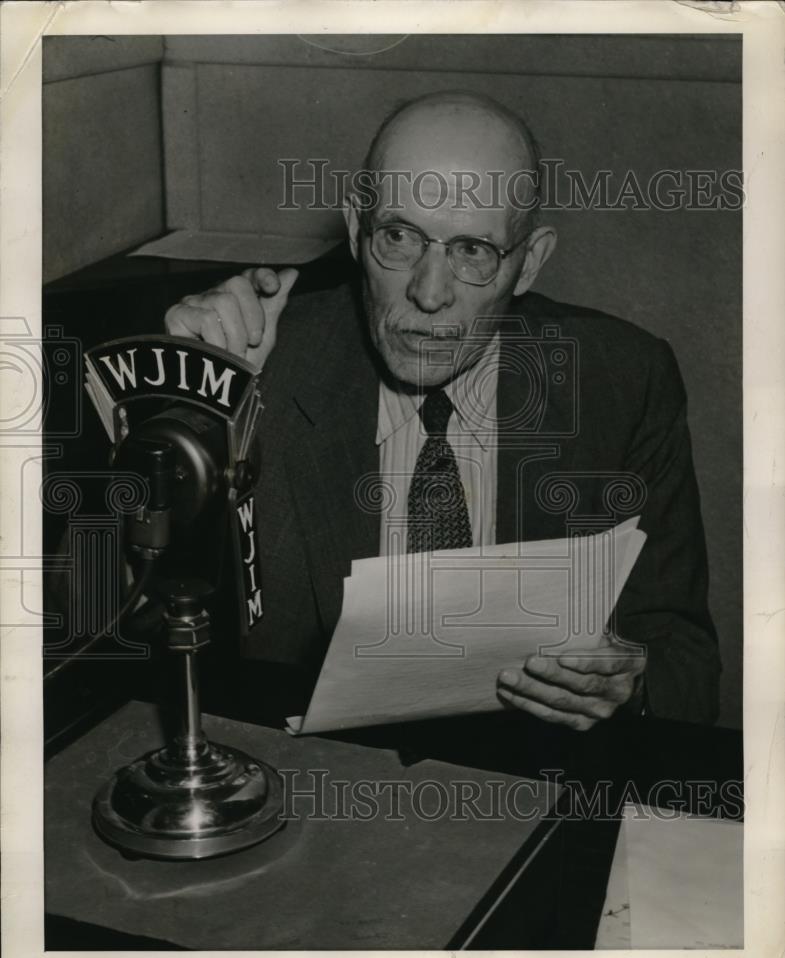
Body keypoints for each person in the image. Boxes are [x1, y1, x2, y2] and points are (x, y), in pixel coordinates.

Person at [165, 91, 721, 729]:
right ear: (356, 230)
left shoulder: (621, 381)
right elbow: (98, 613)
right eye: (399, 238)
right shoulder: (263, 364)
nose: (429, 295)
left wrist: (632, 681)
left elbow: (687, 663)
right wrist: (180, 398)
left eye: (472, 251)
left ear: (529, 263)